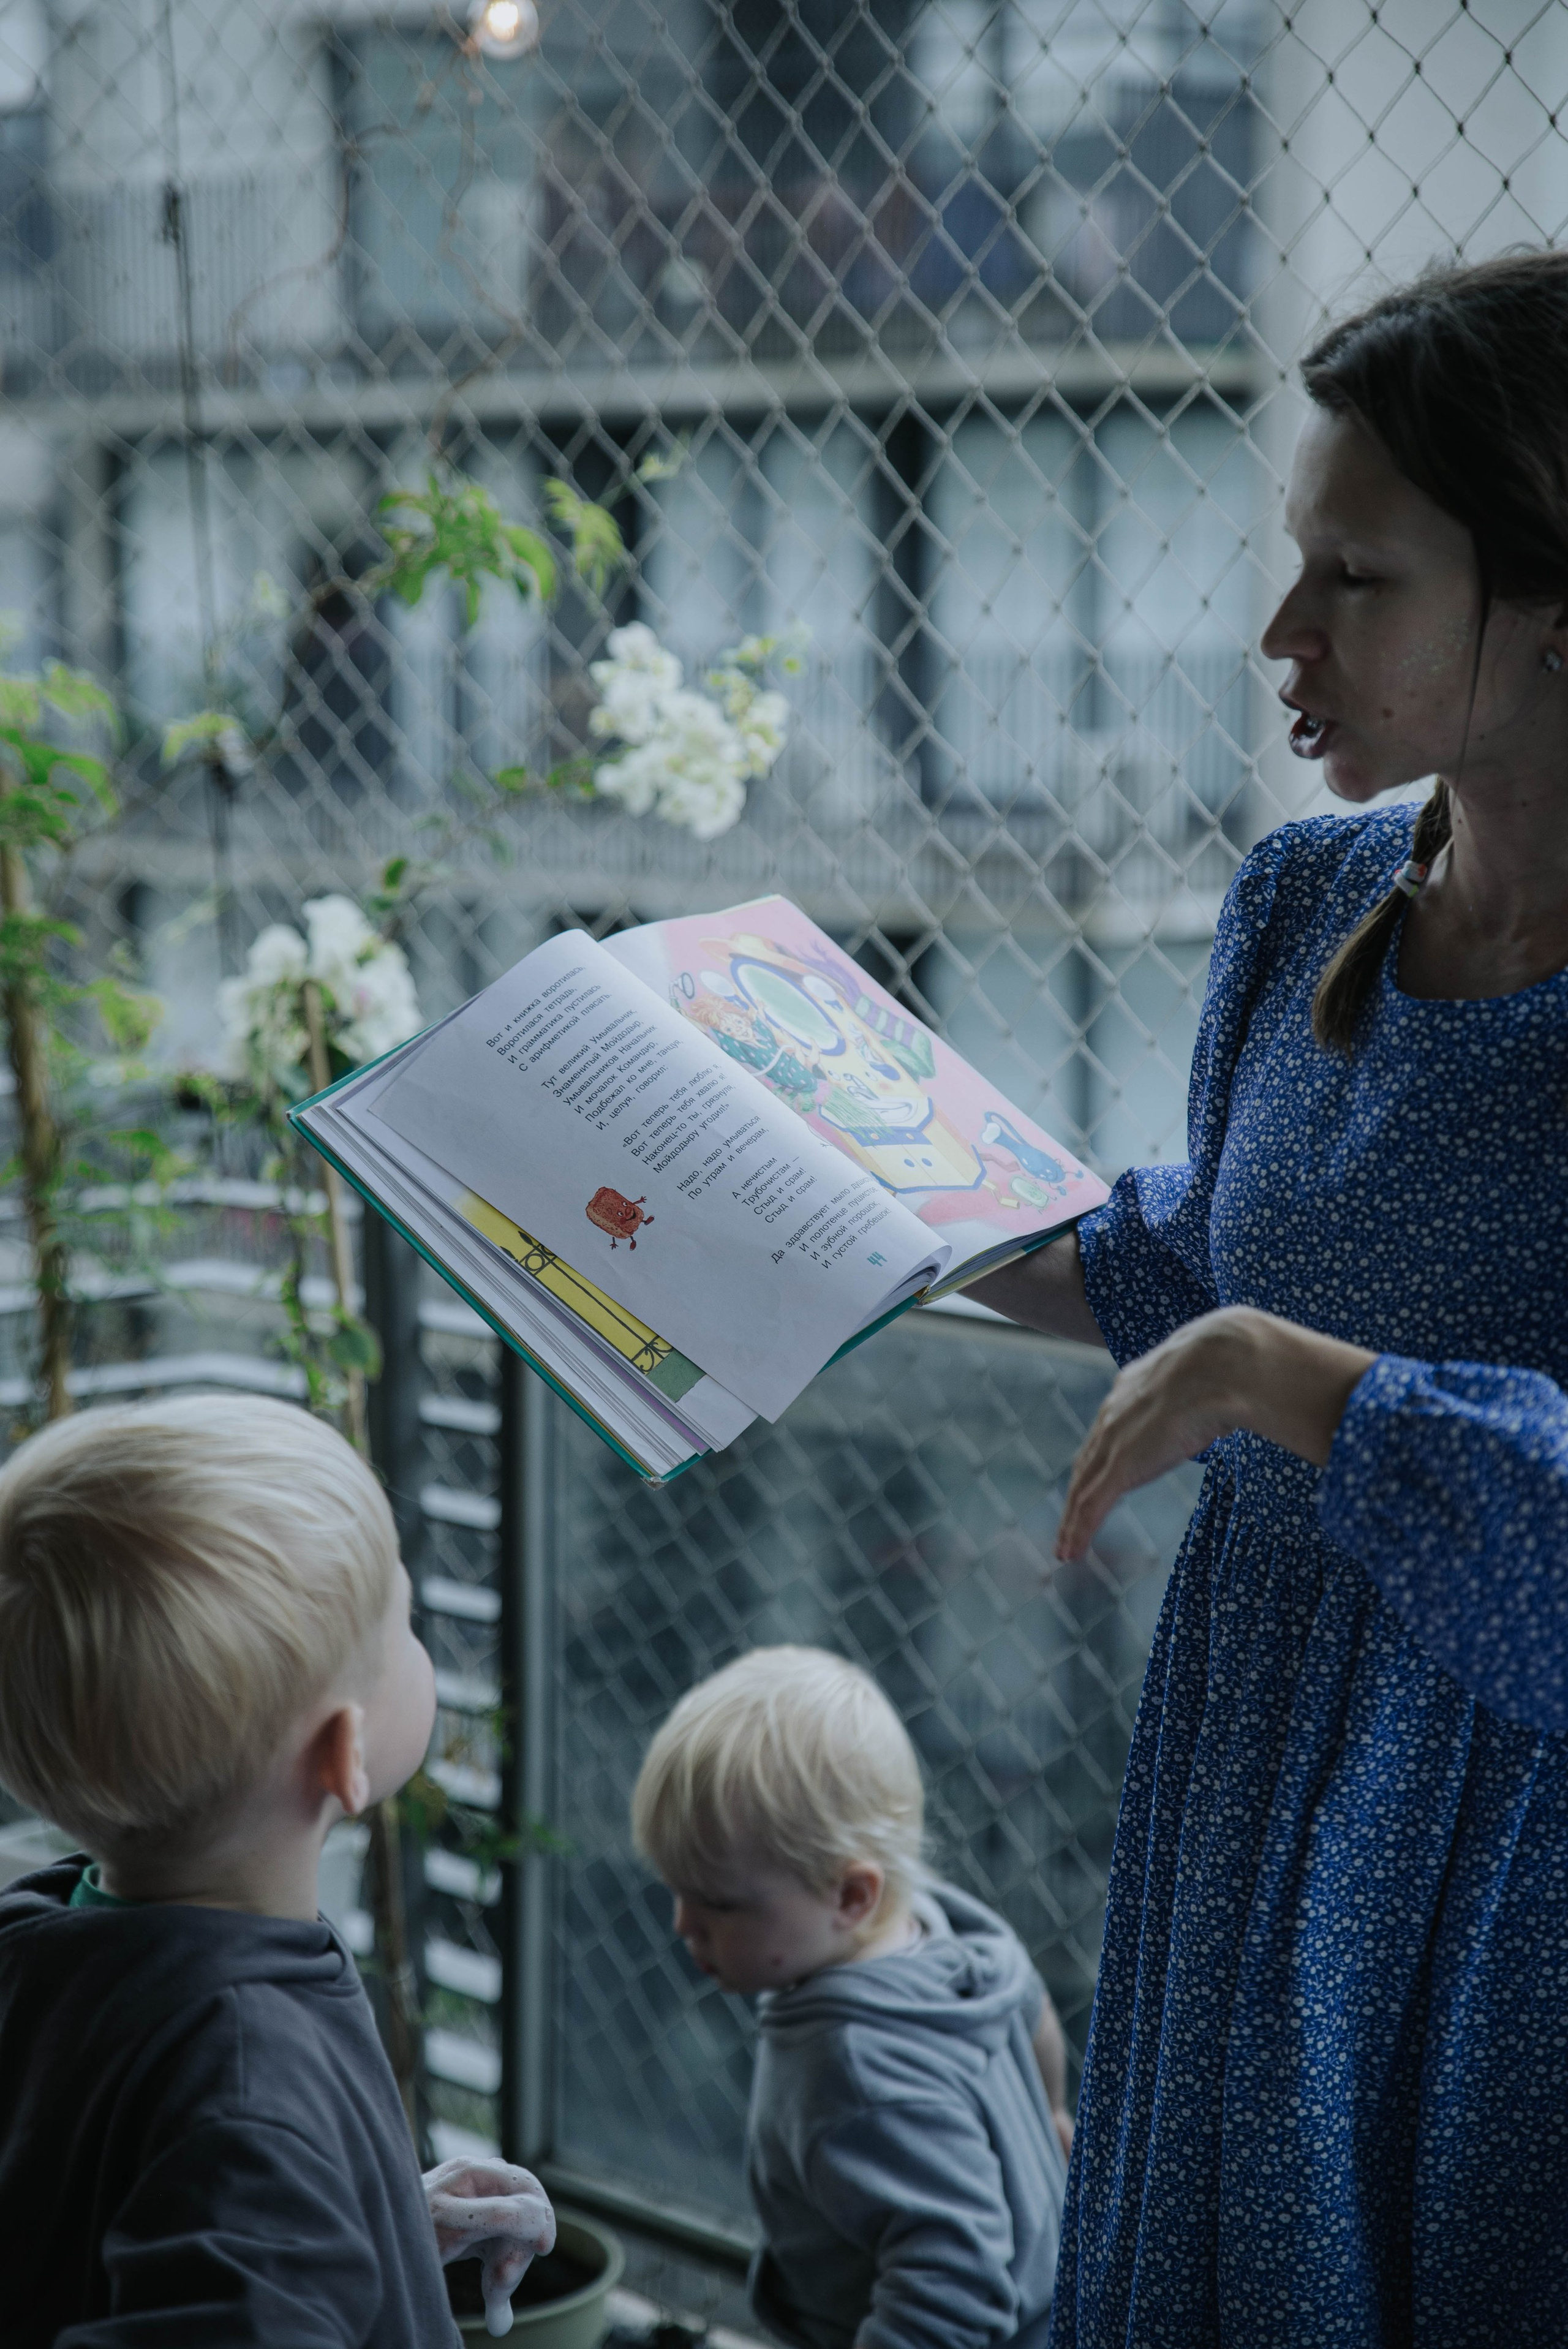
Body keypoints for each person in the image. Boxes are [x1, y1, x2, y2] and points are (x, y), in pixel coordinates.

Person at [970, 249, 1568, 2345]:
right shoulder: (1305, 895)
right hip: (1250, 1759)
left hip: (1507, 1861)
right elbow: (1198, 1260)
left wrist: (1301, 1384)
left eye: (1359, 580)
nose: (1279, 636)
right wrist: (849, 1216)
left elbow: (1259, 1343)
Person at [0, 1392, 555, 2347]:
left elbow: (109, 2216)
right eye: (405, 1621)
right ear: (342, 1752)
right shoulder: (249, 2087)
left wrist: (367, 2217)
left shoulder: (41, 1941)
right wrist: (289, 2197)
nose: (420, 1644)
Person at [631, 1644, 1072, 2349]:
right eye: (676, 1890)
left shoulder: (856, 2068)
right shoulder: (947, 1930)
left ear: (850, 1894)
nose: (683, 1924)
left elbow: (954, 2290)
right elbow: (1030, 2003)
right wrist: (1050, 2109)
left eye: (715, 1903)